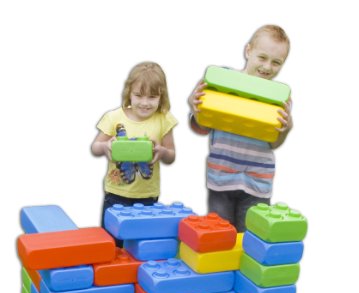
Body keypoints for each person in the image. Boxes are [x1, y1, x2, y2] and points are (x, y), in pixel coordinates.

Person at [188, 25, 293, 232]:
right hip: (221, 178)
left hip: (258, 183)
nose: (267, 67)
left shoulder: (279, 98)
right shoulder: (221, 80)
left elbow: (274, 143)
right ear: (248, 51)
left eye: (276, 62)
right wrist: (195, 107)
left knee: (250, 240)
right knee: (220, 237)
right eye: (262, 57)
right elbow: (201, 128)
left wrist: (286, 129)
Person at [91, 61, 177, 233]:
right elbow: (95, 147)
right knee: (112, 241)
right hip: (116, 193)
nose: (145, 103)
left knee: (141, 240)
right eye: (138, 95)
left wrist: (162, 152)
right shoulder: (114, 117)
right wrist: (105, 146)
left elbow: (171, 155)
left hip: (148, 196)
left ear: (161, 96)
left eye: (152, 97)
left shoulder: (163, 119)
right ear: (129, 92)